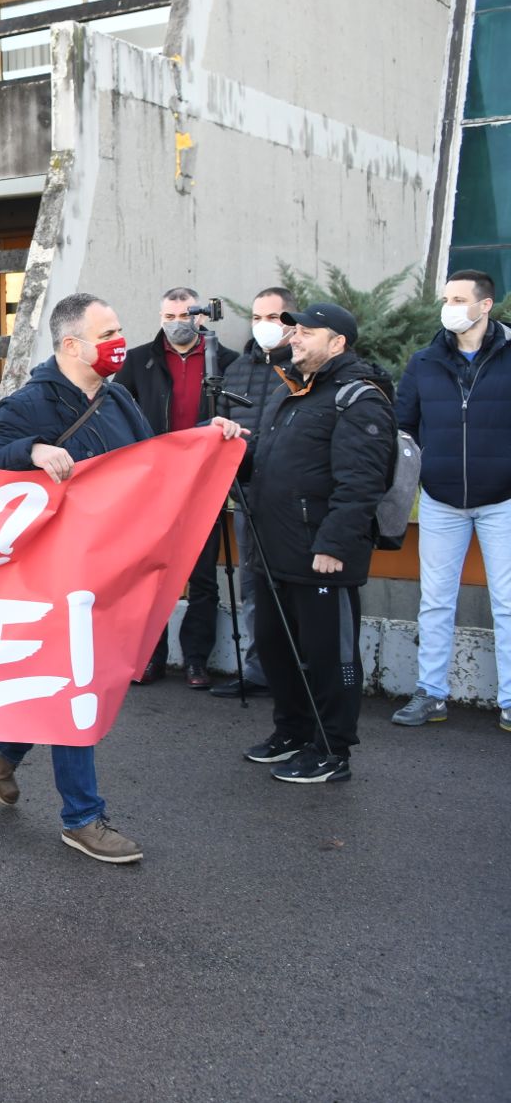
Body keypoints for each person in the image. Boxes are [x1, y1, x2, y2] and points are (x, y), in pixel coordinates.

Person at [0, 292, 245, 862]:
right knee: (78, 687)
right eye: (108, 332)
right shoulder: (29, 403)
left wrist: (207, 441)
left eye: (120, 328)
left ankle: (6, 745)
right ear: (71, 345)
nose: (121, 340)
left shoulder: (119, 400)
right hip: (53, 575)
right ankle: (83, 817)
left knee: (74, 682)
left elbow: (153, 465)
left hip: (111, 570)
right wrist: (32, 450)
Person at [238, 302, 395, 784]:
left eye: (307, 331)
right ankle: (292, 732)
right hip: (273, 551)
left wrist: (333, 545)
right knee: (275, 647)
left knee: (331, 657)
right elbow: (266, 468)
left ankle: (332, 749)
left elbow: (362, 482)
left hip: (321, 556)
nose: (295, 338)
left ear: (338, 343)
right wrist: (233, 447)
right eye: (295, 330)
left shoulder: (358, 398)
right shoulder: (293, 391)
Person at [392, 271, 511, 734]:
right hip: (441, 501)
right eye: (446, 299)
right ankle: (430, 694)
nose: (449, 307)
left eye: (459, 299)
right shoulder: (424, 361)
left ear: (486, 306)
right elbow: (405, 426)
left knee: (507, 602)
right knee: (436, 601)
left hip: (503, 499)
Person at [113, 287, 238, 688]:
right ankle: (149, 657)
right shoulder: (138, 361)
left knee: (202, 575)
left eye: (184, 315)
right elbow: (117, 412)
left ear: (200, 317)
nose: (176, 322)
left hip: (205, 483)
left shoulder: (226, 362)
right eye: (168, 316)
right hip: (153, 485)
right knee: (151, 574)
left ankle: (196, 661)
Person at [209, 286, 298, 697]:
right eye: (258, 317)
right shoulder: (237, 370)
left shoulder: (303, 367)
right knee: (252, 584)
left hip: (291, 498)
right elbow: (223, 428)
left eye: (274, 317)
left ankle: (301, 669)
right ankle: (260, 669)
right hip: (247, 494)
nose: (264, 325)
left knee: (294, 583)